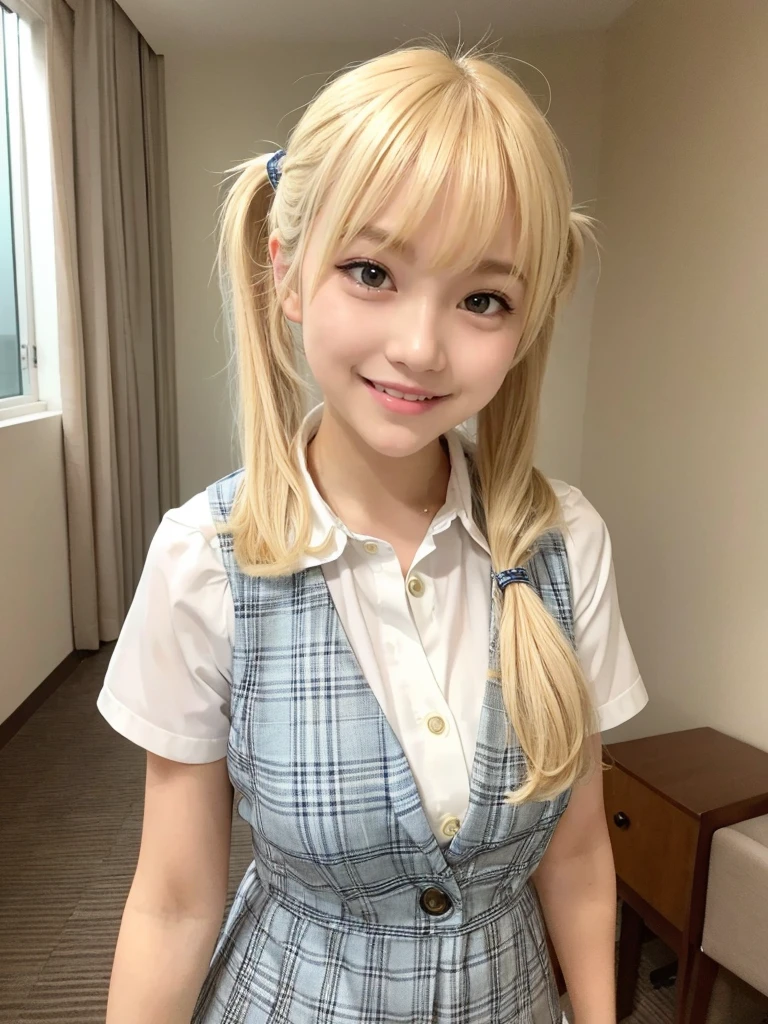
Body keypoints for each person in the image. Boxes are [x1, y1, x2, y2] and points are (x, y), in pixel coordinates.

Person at [97, 41, 648, 1024]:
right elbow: (174, 903)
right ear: (290, 274)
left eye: (484, 297)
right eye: (371, 271)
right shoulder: (202, 562)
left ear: (525, 324)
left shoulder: (566, 542)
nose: (421, 346)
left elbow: (574, 851)